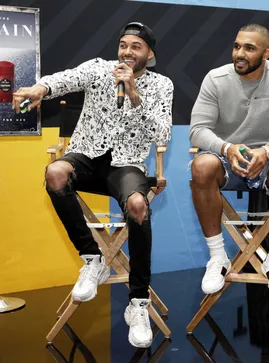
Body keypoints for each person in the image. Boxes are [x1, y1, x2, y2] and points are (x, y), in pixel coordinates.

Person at [12, 22, 174, 348]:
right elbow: (65, 79)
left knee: (139, 206)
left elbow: (162, 135)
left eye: (136, 47)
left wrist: (134, 94)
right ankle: (93, 259)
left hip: (126, 164)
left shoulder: (161, 85)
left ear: (150, 54)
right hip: (87, 156)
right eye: (124, 45)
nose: (127, 52)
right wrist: (40, 89)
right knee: (55, 172)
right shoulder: (99, 69)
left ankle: (139, 302)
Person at [190, 24, 269, 300]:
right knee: (201, 166)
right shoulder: (215, 79)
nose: (239, 53)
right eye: (236, 46)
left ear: (266, 53)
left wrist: (267, 150)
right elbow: (197, 130)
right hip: (226, 159)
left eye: (249, 48)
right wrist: (227, 148)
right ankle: (218, 258)